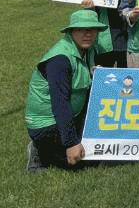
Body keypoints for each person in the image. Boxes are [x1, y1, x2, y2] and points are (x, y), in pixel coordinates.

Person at [25, 10, 107, 171]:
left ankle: (53, 147)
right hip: (47, 124)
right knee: (84, 164)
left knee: (98, 154)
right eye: (81, 29)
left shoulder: (87, 50)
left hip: (72, 116)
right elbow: (60, 103)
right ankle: (39, 149)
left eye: (92, 30)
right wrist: (71, 143)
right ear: (71, 31)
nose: (87, 34)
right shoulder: (60, 60)